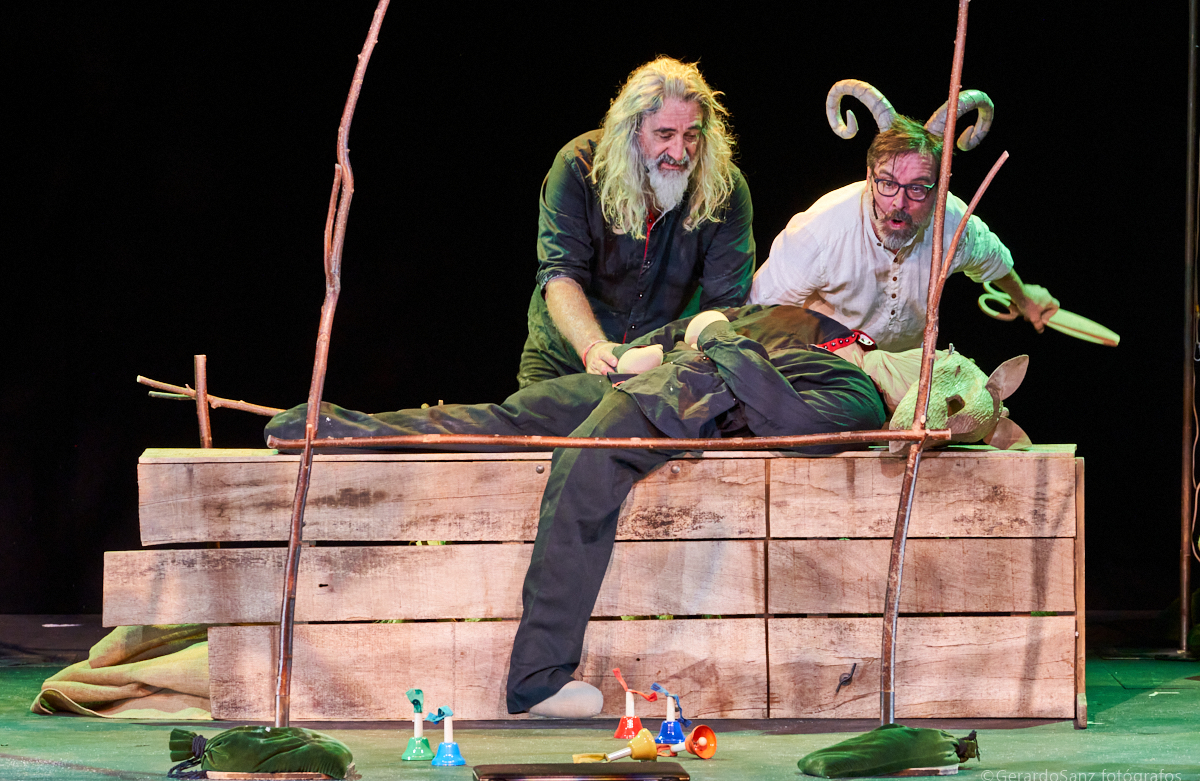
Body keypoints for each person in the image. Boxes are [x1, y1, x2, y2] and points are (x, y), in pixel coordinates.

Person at [268, 305, 891, 717]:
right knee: (503, 421)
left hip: (684, 394)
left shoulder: (858, 390)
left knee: (577, 475)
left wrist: (711, 337)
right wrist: (647, 350)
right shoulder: (816, 332)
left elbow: (780, 409)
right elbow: (700, 336)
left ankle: (537, 675)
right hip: (659, 384)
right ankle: (336, 427)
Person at [517, 57, 755, 388]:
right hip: (566, 358)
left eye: (691, 135)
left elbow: (725, 305)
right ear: (633, 130)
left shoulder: (726, 190)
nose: (679, 152)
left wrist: (685, 366)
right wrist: (593, 348)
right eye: (665, 134)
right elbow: (560, 273)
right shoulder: (578, 168)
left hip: (661, 370)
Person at [748, 114, 1058, 352]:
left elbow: (992, 259)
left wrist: (1024, 298)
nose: (899, 202)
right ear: (869, 177)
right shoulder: (821, 232)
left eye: (917, 188)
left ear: (939, 189)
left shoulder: (952, 224)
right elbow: (757, 314)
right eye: (887, 183)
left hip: (907, 368)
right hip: (833, 366)